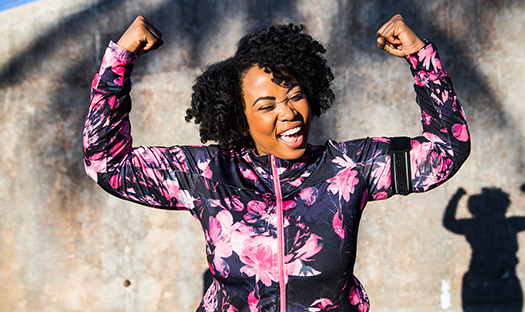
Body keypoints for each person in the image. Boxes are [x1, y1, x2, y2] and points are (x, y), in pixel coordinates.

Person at [83, 14, 470, 312]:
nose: (288, 114)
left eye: (295, 96)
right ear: (240, 116)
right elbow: (105, 162)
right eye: (266, 106)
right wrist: (121, 59)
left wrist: (421, 58)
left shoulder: (349, 168)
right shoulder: (207, 174)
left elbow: (447, 149)